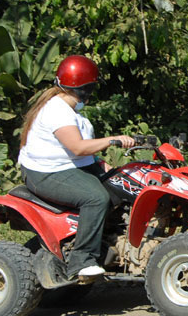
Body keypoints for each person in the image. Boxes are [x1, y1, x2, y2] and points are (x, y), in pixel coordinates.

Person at [18, 55, 135, 279]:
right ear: (85, 87)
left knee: (123, 186)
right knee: (96, 198)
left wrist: (111, 170)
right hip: (45, 173)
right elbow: (78, 148)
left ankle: (110, 244)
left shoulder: (70, 111)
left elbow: (81, 155)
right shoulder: (56, 110)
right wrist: (114, 140)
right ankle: (81, 261)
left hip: (67, 167)